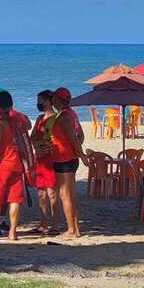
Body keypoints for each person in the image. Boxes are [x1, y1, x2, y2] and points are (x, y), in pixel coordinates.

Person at [0, 91, 25, 242]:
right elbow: (27, 126)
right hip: (17, 162)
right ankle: (13, 233)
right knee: (15, 199)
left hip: (2, 164)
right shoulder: (17, 120)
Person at [51, 87, 88, 239]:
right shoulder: (72, 114)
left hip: (64, 159)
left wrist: (81, 154)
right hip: (70, 158)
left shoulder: (63, 116)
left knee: (65, 195)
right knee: (70, 196)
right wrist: (77, 151)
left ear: (58, 100)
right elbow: (81, 135)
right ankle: (76, 229)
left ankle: (72, 230)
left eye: (54, 99)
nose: (52, 101)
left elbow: (74, 137)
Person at [30, 90, 60, 235]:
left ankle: (55, 225)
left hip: (50, 158)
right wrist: (38, 143)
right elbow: (32, 136)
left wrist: (43, 143)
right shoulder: (39, 118)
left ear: (48, 101)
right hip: (40, 159)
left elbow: (56, 139)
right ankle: (43, 223)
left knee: (52, 192)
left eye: (40, 100)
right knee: (41, 192)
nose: (38, 103)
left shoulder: (56, 118)